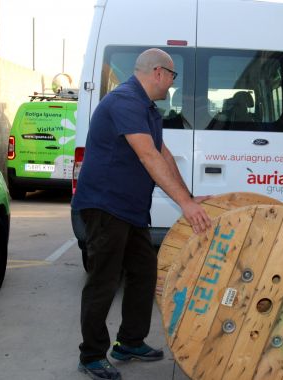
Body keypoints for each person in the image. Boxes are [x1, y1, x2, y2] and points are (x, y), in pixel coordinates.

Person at [72, 48, 212, 380]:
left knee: (144, 271)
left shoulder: (148, 108)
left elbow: (164, 156)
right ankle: (91, 355)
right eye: (173, 76)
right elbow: (148, 157)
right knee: (103, 281)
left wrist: (188, 198)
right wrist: (186, 206)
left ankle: (129, 342)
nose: (172, 83)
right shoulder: (125, 101)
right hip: (105, 205)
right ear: (158, 73)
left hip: (130, 208)